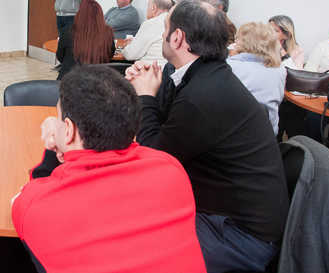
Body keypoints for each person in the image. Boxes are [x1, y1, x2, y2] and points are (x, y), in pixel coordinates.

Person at [126, 0, 288, 273]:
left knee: (130, 243)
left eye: (165, 28)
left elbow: (155, 156)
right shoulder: (206, 75)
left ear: (177, 37)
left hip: (241, 236)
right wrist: (152, 87)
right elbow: (170, 124)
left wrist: (144, 96)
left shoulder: (204, 95)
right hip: (233, 215)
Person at [12, 65, 206, 273]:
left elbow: (18, 202)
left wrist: (54, 144)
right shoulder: (171, 170)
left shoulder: (38, 204)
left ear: (68, 130)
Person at [227, 22, 286, 136]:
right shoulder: (280, 70)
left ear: (243, 42)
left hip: (236, 136)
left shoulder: (229, 66)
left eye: (237, 39)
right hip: (268, 135)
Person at [56, 0, 115, 80]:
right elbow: (109, 55)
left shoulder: (67, 31)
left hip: (68, 80)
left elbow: (60, 56)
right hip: (97, 82)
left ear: (80, 13)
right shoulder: (108, 32)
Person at [121, 0, 174, 65]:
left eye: (148, 6)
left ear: (153, 8)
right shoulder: (175, 21)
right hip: (169, 70)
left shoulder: (151, 24)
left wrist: (126, 46)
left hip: (150, 70)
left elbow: (130, 55)